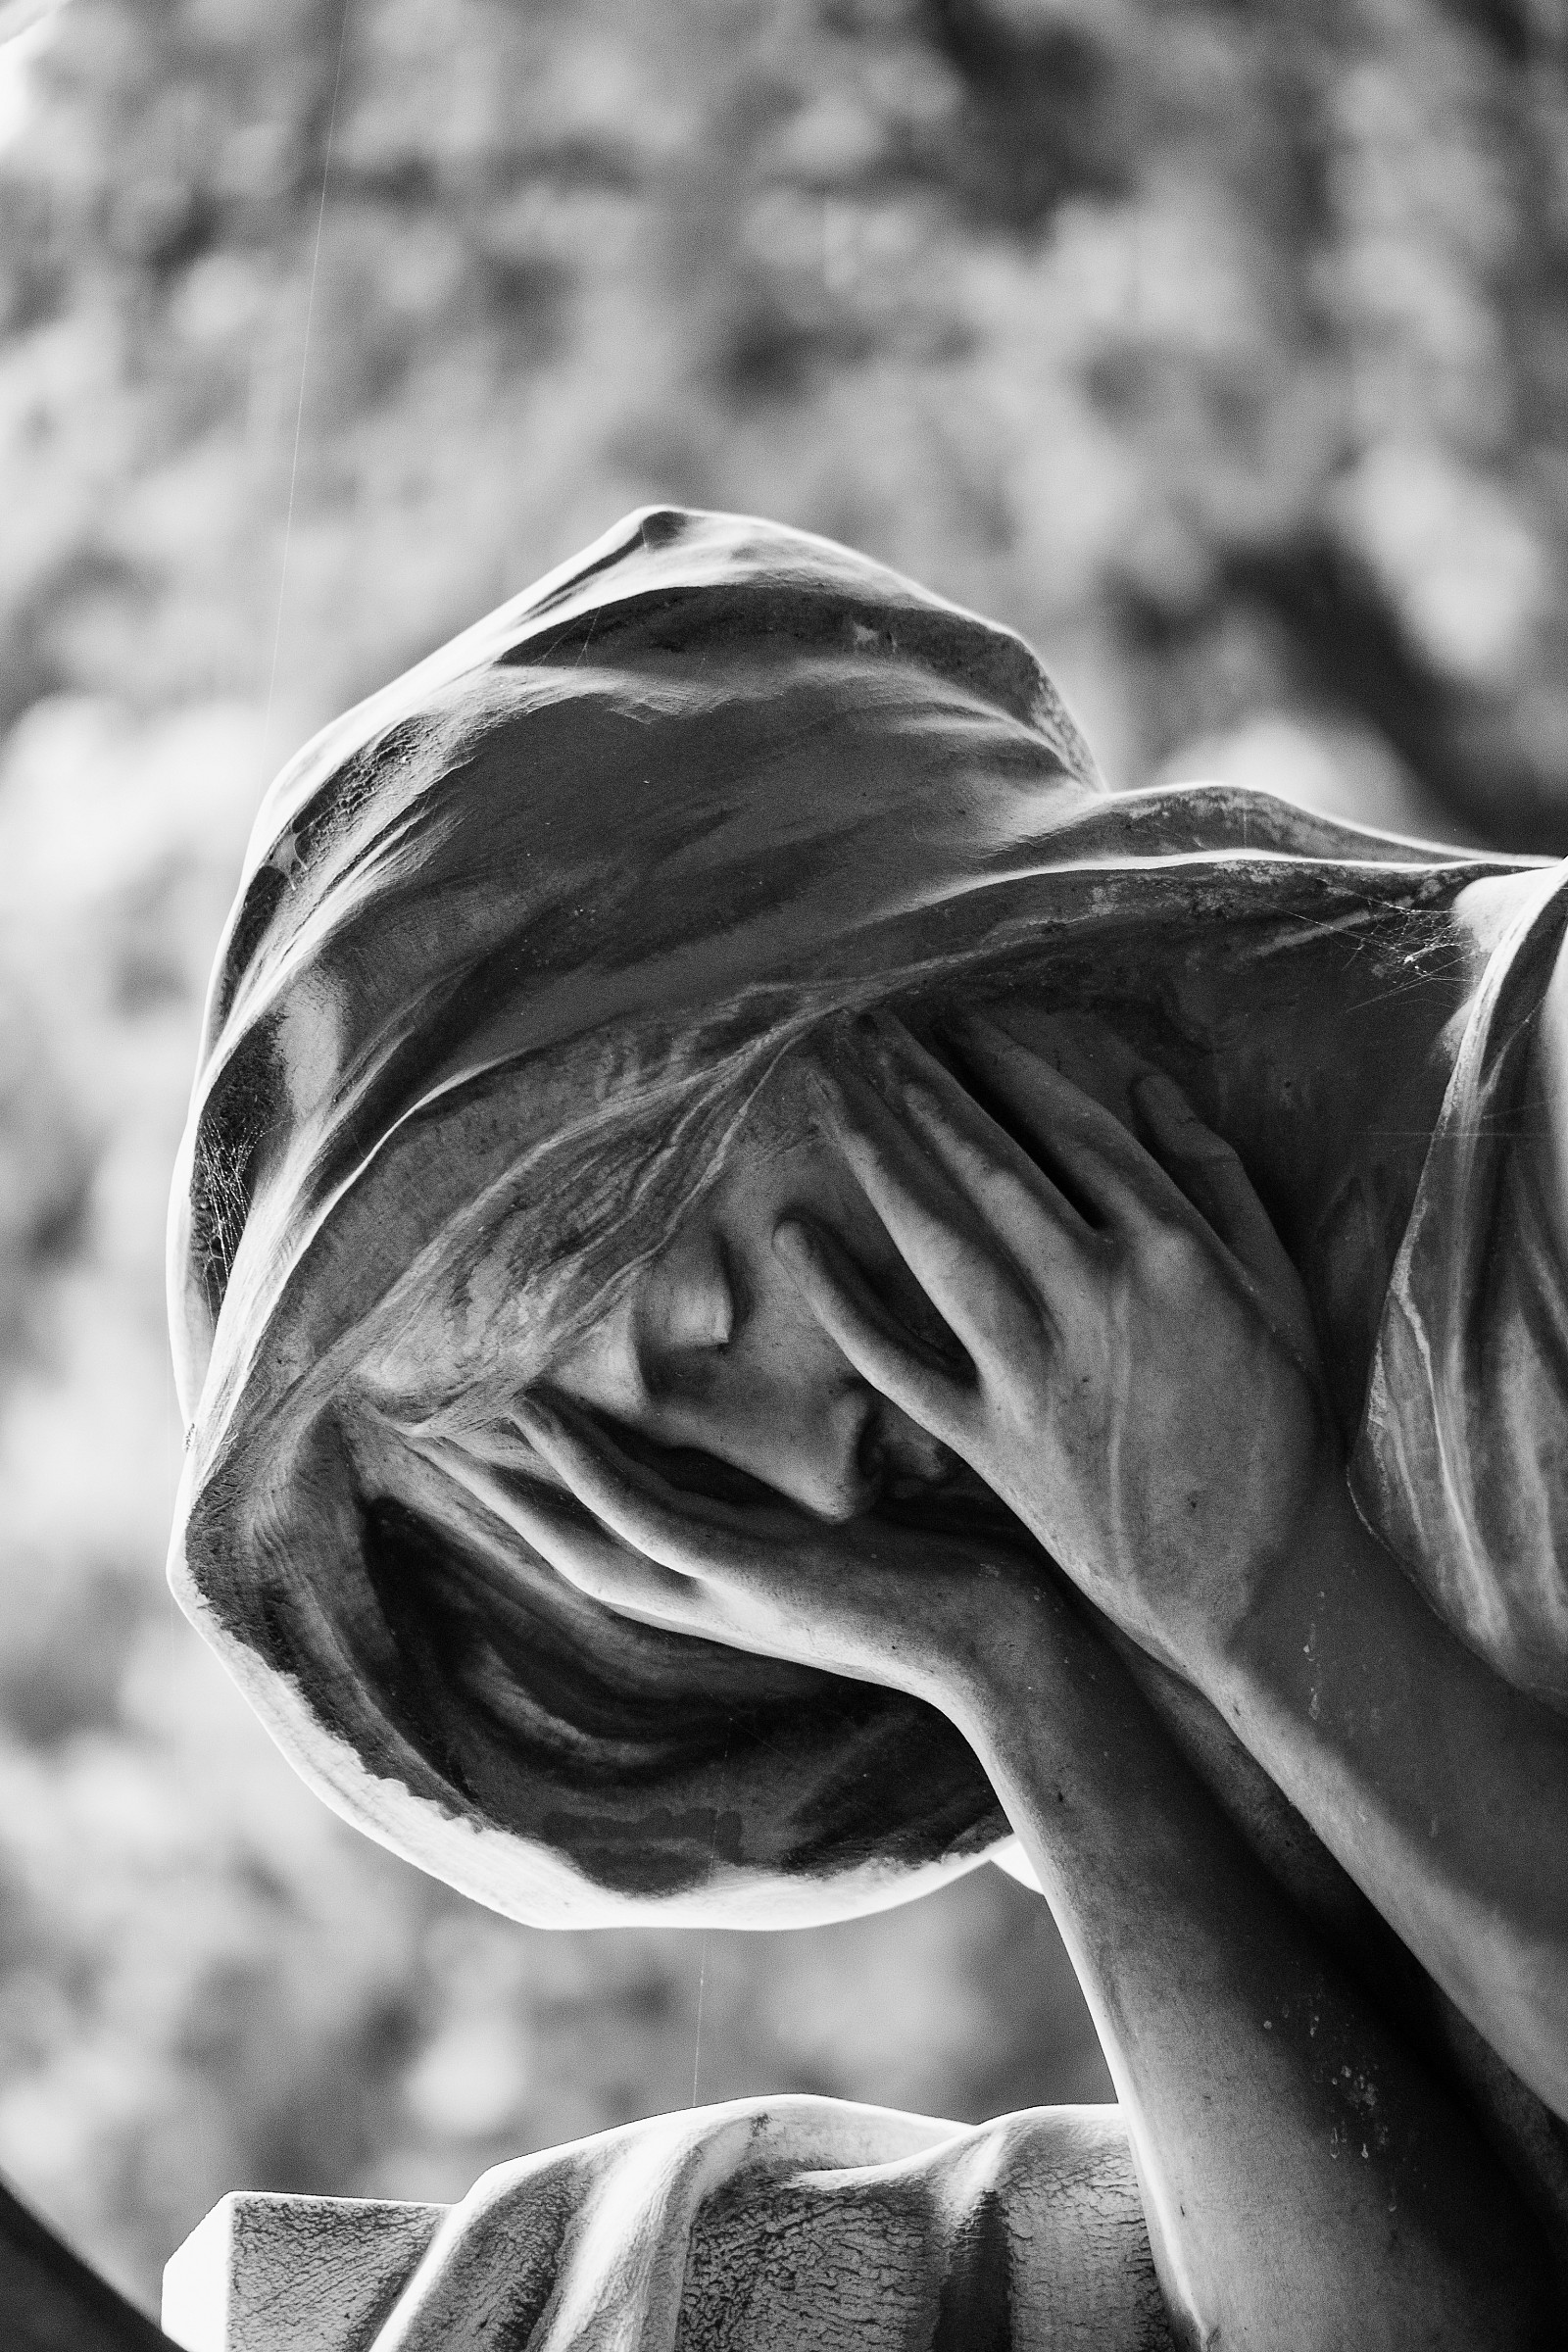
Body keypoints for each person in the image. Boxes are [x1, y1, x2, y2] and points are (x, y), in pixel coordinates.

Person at [168, 507, 1568, 2339]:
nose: (818, 1471)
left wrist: (1278, 1595)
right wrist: (1025, 1687)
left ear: (796, 938)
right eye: (676, 1509)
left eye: (676, 1297)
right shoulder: (1156, 1589)